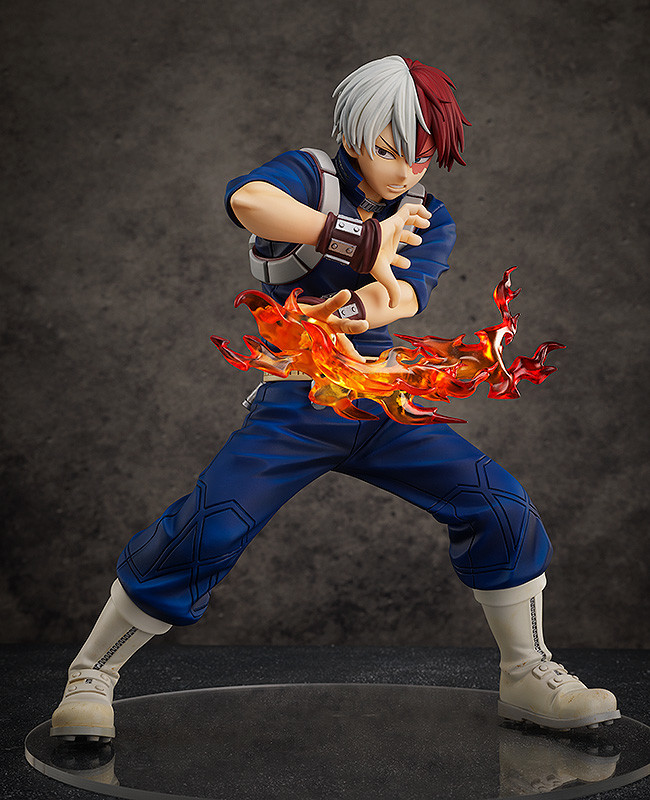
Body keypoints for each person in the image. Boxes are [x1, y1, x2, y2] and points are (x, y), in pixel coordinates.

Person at [51, 55, 618, 741]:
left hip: (379, 397)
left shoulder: (427, 215)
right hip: (298, 402)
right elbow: (248, 202)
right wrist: (356, 237)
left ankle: (527, 673)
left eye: (422, 157)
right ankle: (92, 674)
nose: (407, 171)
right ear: (354, 134)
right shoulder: (311, 176)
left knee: (502, 506)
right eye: (390, 151)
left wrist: (348, 313)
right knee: (211, 526)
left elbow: (400, 297)